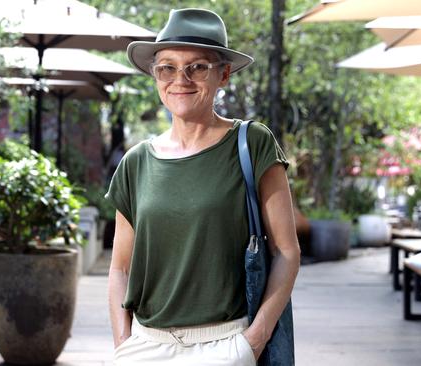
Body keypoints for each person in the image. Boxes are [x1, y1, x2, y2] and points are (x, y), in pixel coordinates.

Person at [106, 8, 300, 366]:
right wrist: (123, 344)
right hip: (146, 346)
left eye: (196, 66)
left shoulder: (252, 143)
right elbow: (119, 268)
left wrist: (253, 342)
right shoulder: (136, 162)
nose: (180, 78)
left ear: (223, 74)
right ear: (155, 75)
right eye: (167, 66)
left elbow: (287, 251)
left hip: (224, 345)